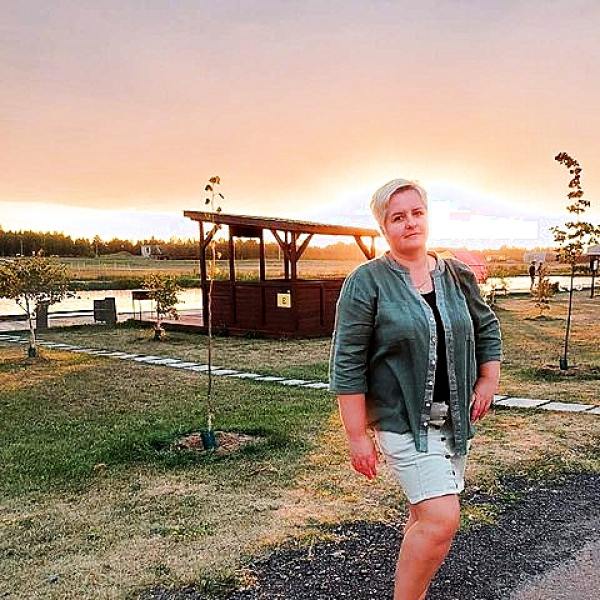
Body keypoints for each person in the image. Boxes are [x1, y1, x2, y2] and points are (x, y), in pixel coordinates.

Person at [329, 178, 502, 600]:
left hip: (455, 421)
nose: (410, 223)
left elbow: (487, 328)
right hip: (402, 421)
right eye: (398, 217)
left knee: (423, 517)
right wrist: (356, 435)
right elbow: (348, 361)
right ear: (383, 227)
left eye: (417, 213)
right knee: (441, 518)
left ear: (428, 216)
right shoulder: (367, 281)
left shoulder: (456, 274)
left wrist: (487, 380)